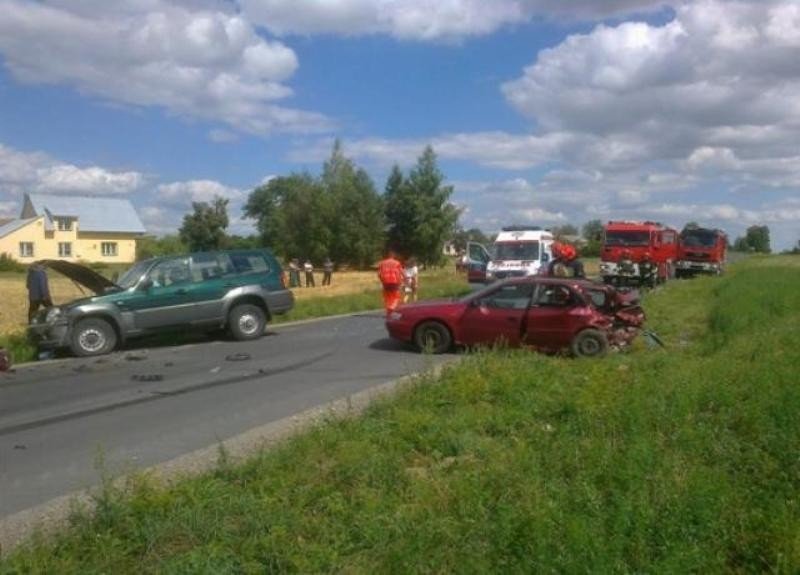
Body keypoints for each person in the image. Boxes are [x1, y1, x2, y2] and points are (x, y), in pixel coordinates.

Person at [378, 249, 404, 317]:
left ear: (387, 255)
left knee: (387, 297)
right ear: (394, 256)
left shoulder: (382, 263)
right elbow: (401, 272)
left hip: (385, 282)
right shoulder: (397, 263)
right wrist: (404, 280)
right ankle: (391, 308)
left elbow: (379, 274)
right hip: (395, 282)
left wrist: (382, 281)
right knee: (396, 297)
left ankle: (388, 312)